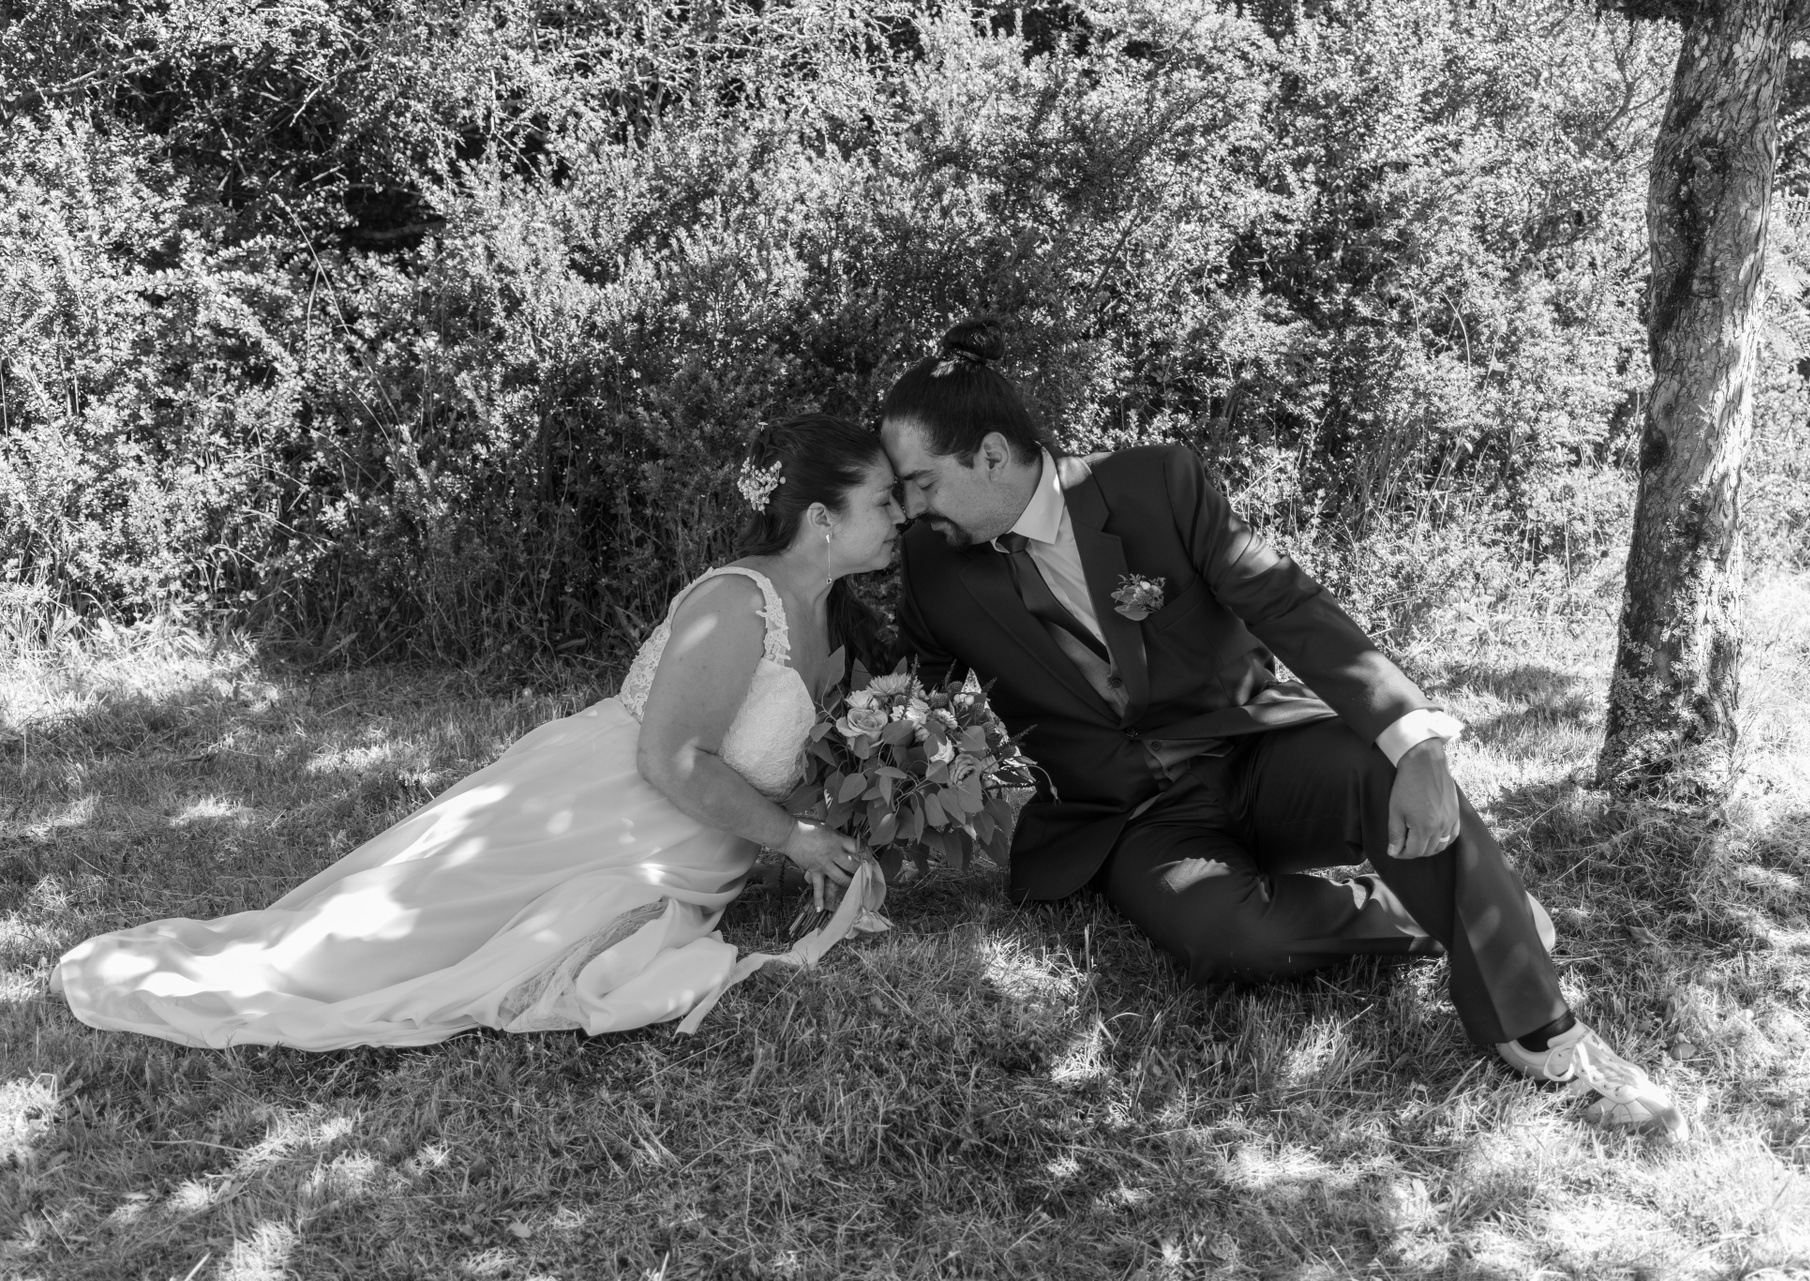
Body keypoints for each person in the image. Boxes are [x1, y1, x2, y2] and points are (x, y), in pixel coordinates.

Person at [880, 316, 1689, 1139]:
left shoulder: (1154, 484)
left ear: (990, 454)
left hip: (1258, 752)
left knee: (1386, 766)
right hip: (1134, 818)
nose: (911, 508)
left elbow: (1284, 603)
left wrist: (1414, 735)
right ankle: (1462, 912)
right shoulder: (933, 566)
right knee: (1230, 939)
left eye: (921, 482)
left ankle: (1545, 1034)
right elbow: (919, 692)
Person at [54, 415, 903, 1049]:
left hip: (692, 849)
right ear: (822, 517)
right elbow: (671, 756)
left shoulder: (832, 615)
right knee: (383, 948)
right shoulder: (738, 603)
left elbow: (776, 758)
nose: (901, 515)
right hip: (610, 811)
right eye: (884, 500)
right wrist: (792, 839)